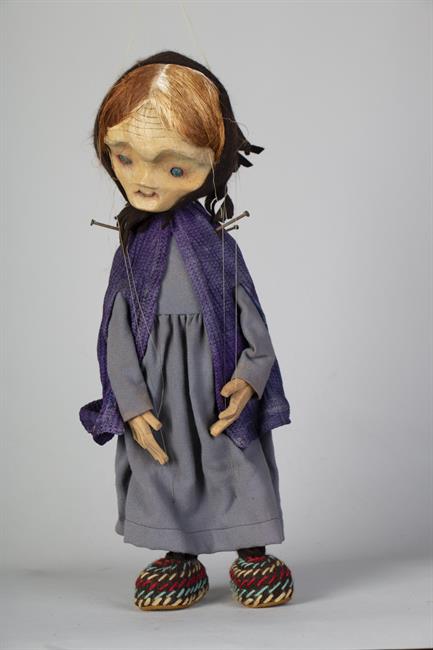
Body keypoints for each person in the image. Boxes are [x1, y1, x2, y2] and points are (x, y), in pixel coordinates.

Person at [79, 50, 294, 610]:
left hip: (216, 384)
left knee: (234, 461)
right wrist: (130, 402)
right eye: (125, 157)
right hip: (158, 394)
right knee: (163, 465)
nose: (145, 180)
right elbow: (117, 334)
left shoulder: (219, 248)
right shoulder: (131, 254)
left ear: (212, 163)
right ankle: (180, 557)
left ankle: (252, 552)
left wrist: (249, 378)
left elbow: (254, 324)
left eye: (175, 168)